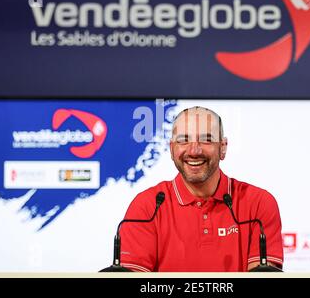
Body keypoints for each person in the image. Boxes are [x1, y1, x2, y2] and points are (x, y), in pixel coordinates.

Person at [119, 106, 283, 272]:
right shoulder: (147, 206)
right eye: (183, 140)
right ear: (171, 148)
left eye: (206, 140)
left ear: (223, 147)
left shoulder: (259, 203)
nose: (194, 151)